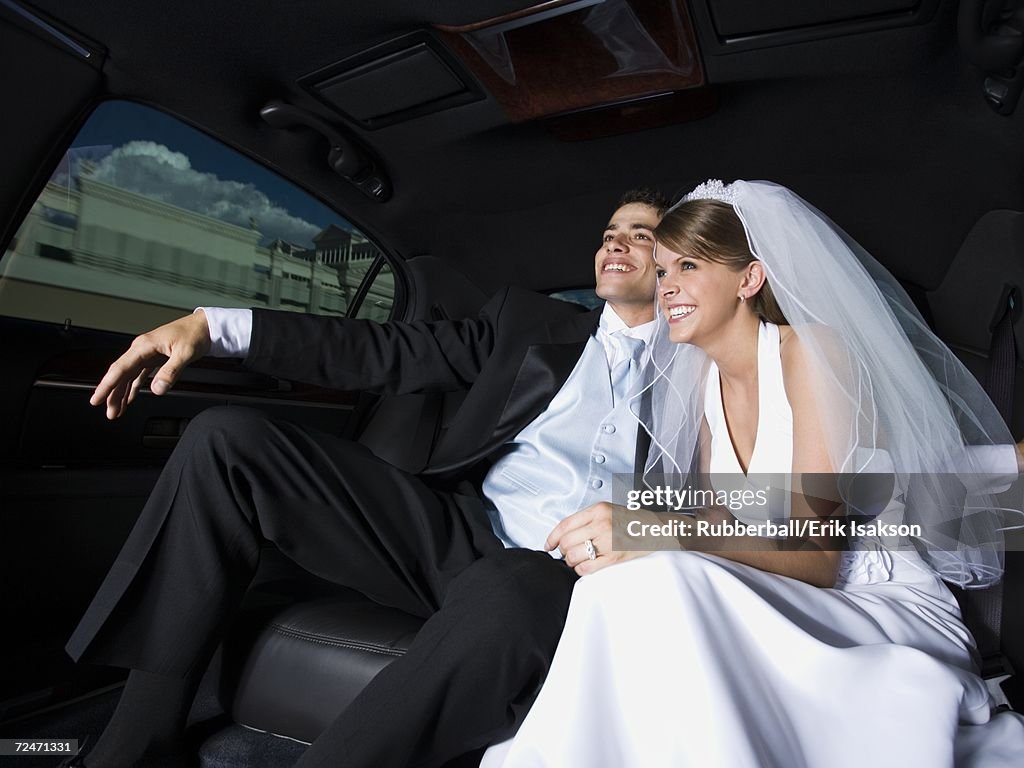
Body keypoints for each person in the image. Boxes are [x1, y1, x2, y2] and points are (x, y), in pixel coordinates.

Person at [60, 188, 669, 768]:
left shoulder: (714, 363)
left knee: (516, 583)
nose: (615, 244)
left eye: (639, 236)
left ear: (676, 261)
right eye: (610, 233)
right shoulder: (528, 323)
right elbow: (386, 348)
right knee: (225, 440)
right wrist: (213, 328)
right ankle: (134, 747)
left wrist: (644, 528)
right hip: (455, 535)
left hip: (575, 580)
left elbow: (758, 506)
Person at [481, 180, 1024, 767]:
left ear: (749, 279)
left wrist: (653, 535)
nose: (668, 288)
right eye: (661, 272)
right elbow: (731, 516)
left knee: (658, 580)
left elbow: (819, 557)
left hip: (870, 595)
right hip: (780, 580)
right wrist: (631, 536)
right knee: (613, 586)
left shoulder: (814, 352)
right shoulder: (701, 379)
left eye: (687, 265)